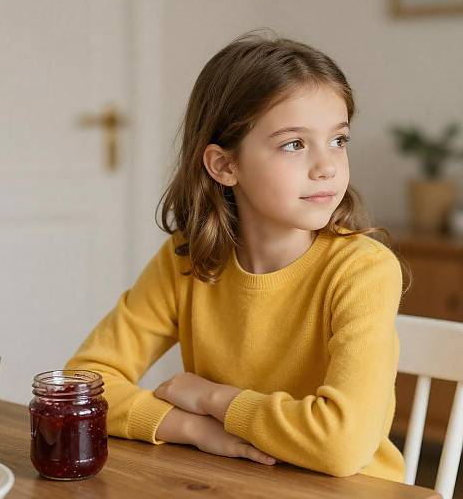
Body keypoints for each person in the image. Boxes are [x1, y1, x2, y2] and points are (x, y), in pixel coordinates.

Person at [65, 28, 412, 482]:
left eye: (338, 140)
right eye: (294, 143)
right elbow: (80, 388)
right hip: (229, 481)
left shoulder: (363, 270)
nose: (327, 165)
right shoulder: (187, 258)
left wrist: (211, 398)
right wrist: (191, 427)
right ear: (224, 166)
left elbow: (341, 446)